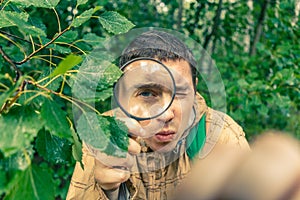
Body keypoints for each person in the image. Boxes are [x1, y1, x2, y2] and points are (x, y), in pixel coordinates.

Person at [66, 30, 250, 199]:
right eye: (147, 93)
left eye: (179, 93)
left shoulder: (220, 135)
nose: (166, 114)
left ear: (194, 88)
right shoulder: (105, 134)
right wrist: (107, 192)